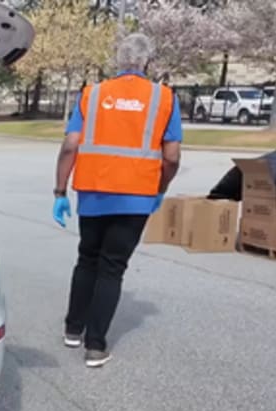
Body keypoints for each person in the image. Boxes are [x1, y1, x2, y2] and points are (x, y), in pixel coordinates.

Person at [53, 33, 182, 368]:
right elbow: (171, 156)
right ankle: (95, 346)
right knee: (112, 268)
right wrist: (160, 189)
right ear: (147, 62)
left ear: (117, 60)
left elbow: (70, 144)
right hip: (136, 197)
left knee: (87, 259)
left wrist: (59, 191)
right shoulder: (163, 98)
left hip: (94, 192)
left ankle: (72, 328)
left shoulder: (92, 94)